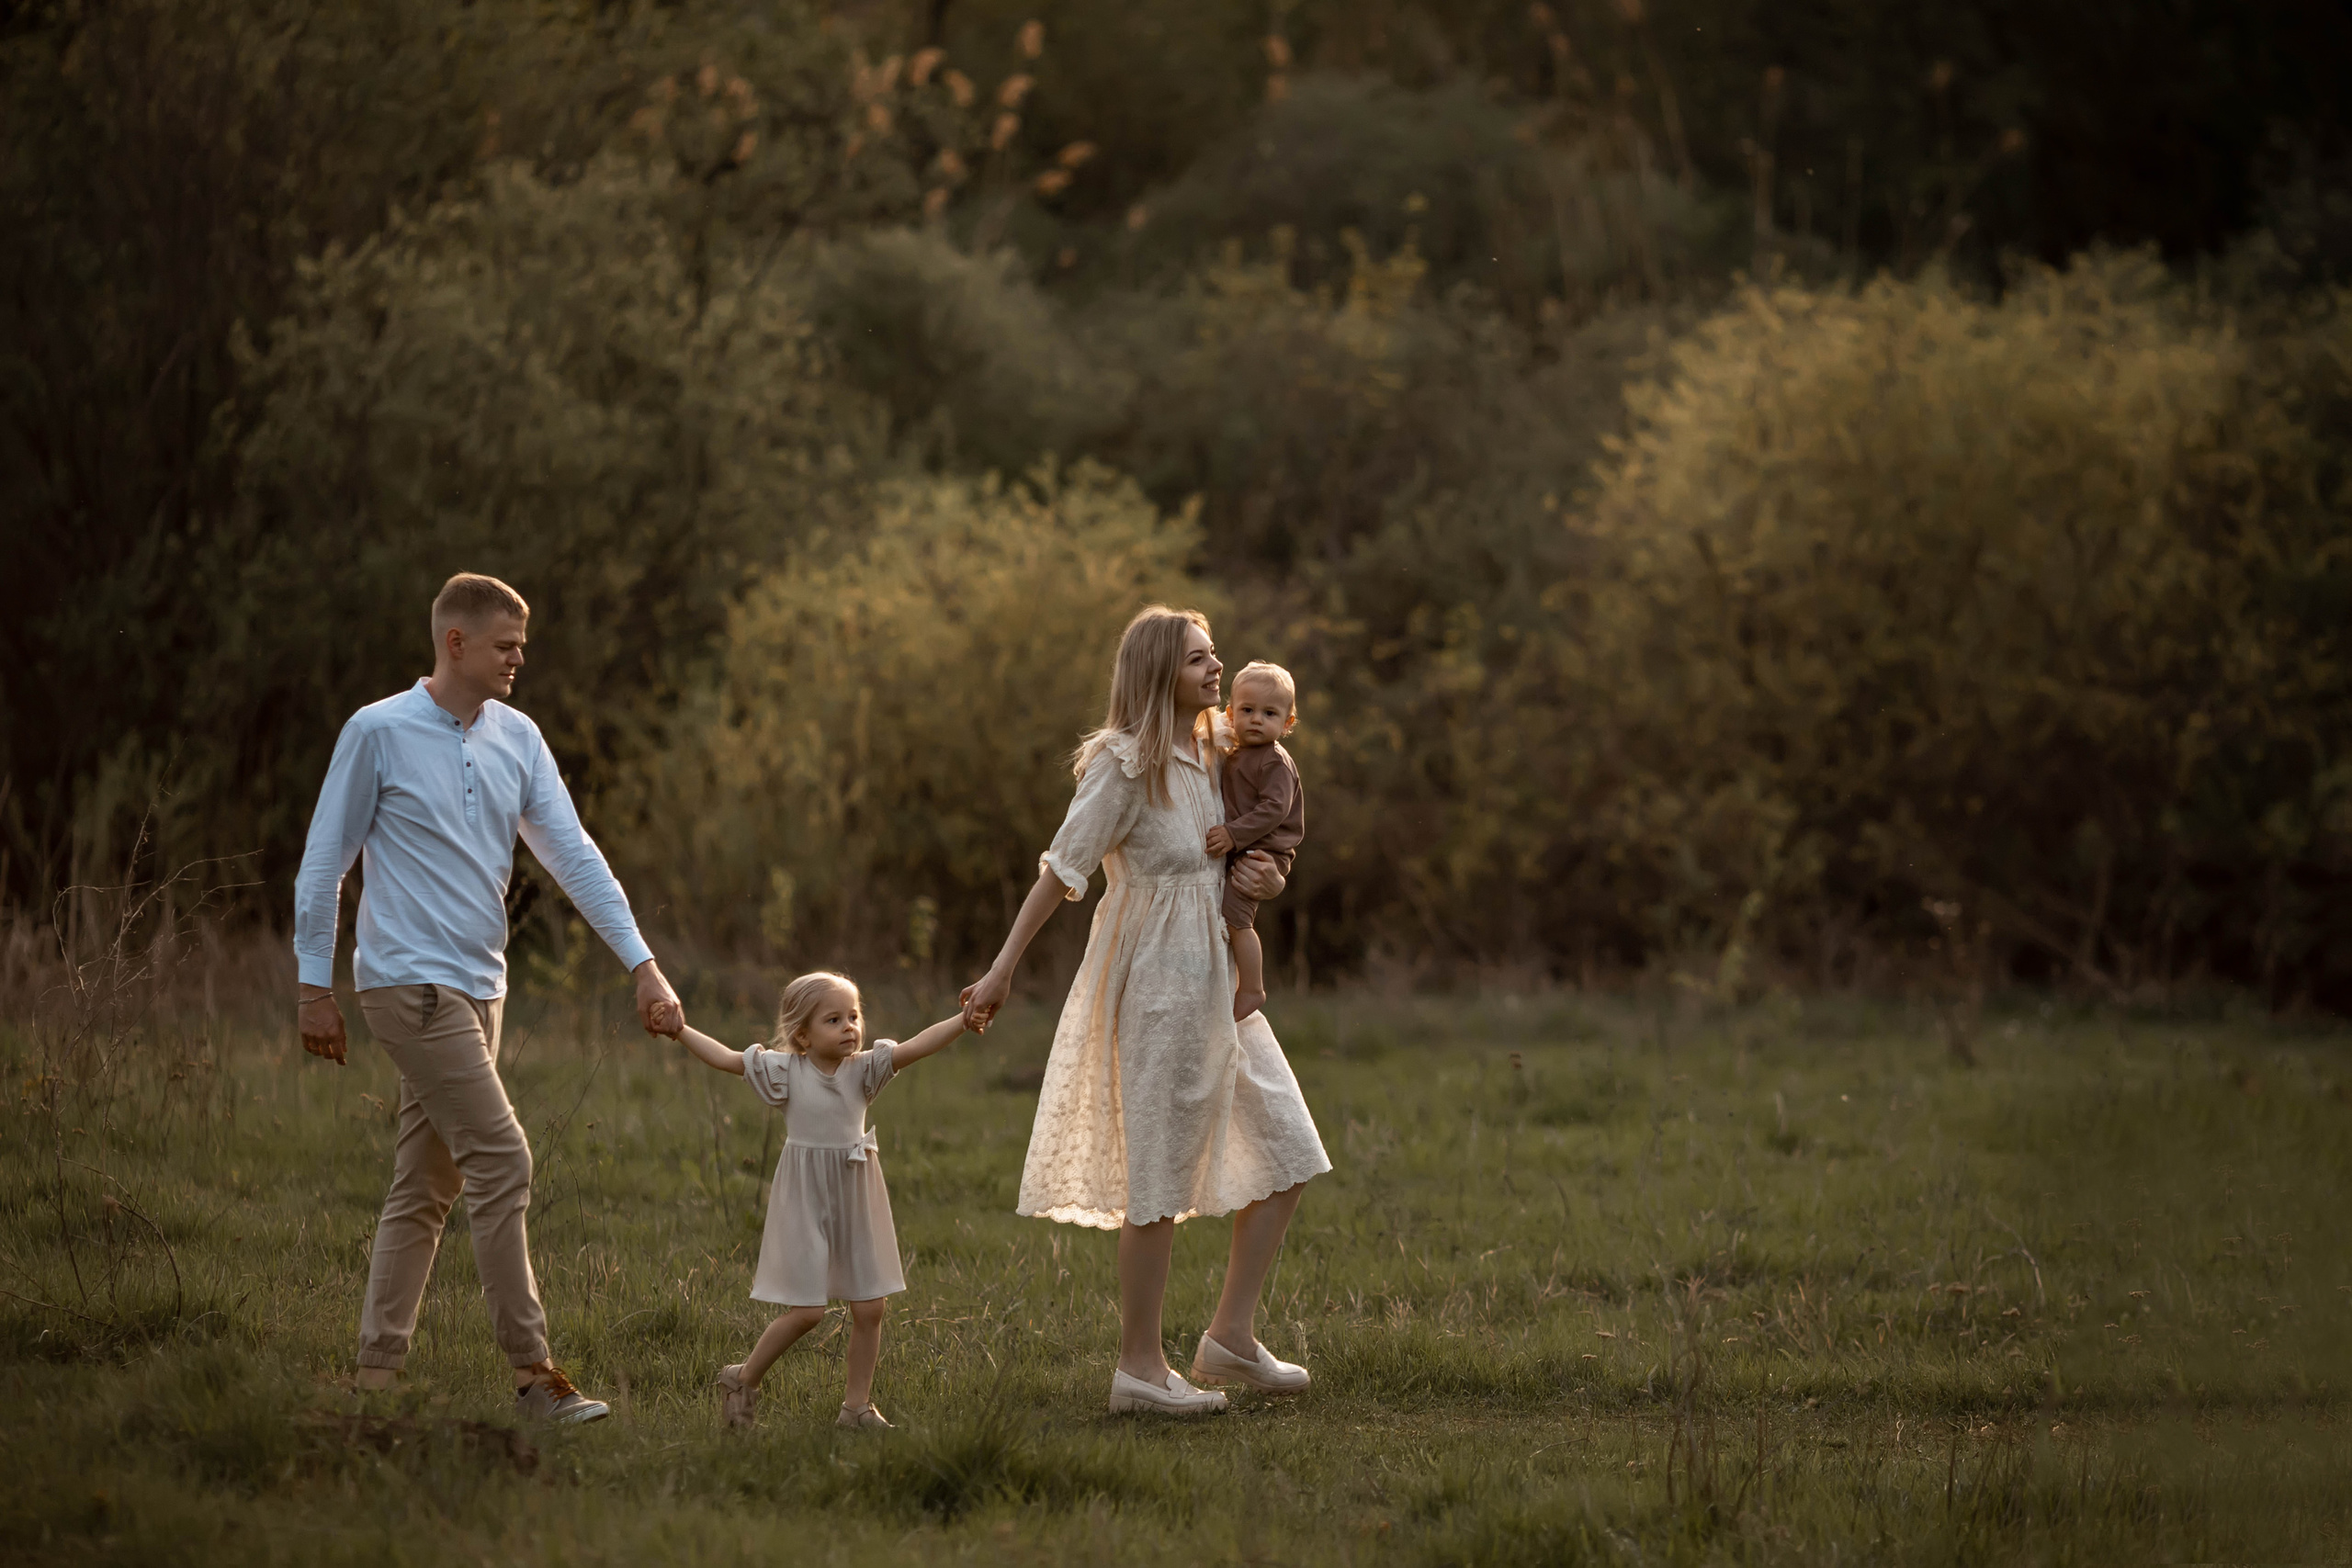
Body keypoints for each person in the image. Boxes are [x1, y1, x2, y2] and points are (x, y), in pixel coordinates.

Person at [293, 572, 684, 1423]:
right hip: (408, 982)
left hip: (482, 988)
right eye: (505, 645)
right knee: (503, 1160)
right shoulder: (378, 731)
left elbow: (573, 855)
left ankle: (374, 1385)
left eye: (522, 646)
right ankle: (534, 1375)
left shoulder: (520, 738)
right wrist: (313, 984)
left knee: (424, 1184)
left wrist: (643, 966)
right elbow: (325, 862)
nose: (518, 659)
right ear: (456, 642)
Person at [960, 606, 1332, 1416]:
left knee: (1289, 1145)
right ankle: (1139, 1368)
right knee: (1157, 1177)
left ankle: (1230, 1336)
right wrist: (1000, 969)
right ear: (1160, 670)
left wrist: (1269, 878)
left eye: (1213, 654)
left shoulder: (1220, 748)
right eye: (1199, 658)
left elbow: (1252, 852)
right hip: (1158, 982)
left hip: (1219, 976)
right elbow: (1062, 869)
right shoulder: (1124, 764)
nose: (1216, 667)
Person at [662, 972, 969, 1431]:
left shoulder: (864, 1070)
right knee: (808, 1312)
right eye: (834, 1020)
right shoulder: (786, 1072)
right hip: (804, 1198)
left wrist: (964, 1020)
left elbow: (918, 1046)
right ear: (803, 1035)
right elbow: (726, 1059)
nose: (850, 1027)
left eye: (854, 1016)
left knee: (871, 1307)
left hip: (855, 1192)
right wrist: (679, 1030)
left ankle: (856, 1408)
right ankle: (742, 1378)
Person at [1204, 661, 1305, 1023]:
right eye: (1247, 711)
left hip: (1264, 853)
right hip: (1245, 846)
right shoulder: (1236, 752)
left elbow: (1275, 809)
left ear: (1287, 723)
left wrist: (1233, 834)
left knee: (1236, 918)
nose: (1257, 720)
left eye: (1269, 714)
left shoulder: (1274, 761)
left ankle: (1252, 988)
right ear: (1231, 714)